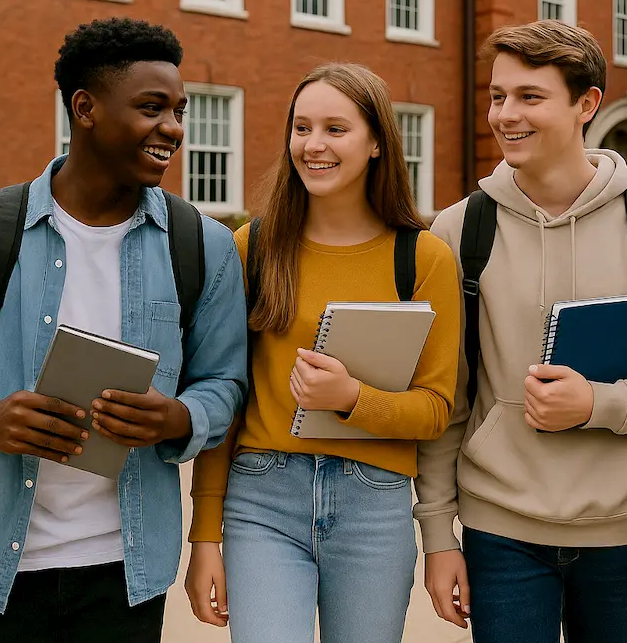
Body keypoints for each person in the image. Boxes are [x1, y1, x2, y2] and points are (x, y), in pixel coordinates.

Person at [0, 17, 248, 643]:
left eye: (178, 110)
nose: (173, 128)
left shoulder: (205, 247)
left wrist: (179, 419)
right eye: (150, 108)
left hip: (127, 570)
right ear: (85, 108)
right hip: (0, 568)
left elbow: (225, 381)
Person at [414, 20, 627, 643]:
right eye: (497, 96)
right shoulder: (458, 231)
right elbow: (446, 397)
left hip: (624, 527)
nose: (505, 114)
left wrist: (602, 404)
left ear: (587, 105)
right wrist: (438, 535)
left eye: (529, 97)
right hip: (501, 527)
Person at [185, 62, 461, 643]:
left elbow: (435, 409)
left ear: (378, 142)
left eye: (336, 129)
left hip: (374, 506)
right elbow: (225, 400)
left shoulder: (424, 259)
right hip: (262, 497)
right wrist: (204, 535)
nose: (314, 145)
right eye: (302, 127)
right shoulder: (253, 248)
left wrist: (352, 399)